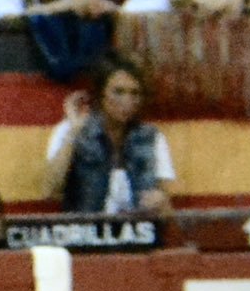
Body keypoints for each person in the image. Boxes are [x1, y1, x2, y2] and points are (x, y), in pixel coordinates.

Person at [42, 55, 175, 216]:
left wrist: (160, 202)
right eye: (118, 92)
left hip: (139, 233)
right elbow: (49, 190)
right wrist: (74, 132)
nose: (127, 101)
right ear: (100, 95)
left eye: (135, 93)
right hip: (86, 234)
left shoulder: (151, 137)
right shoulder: (70, 129)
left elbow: (167, 211)